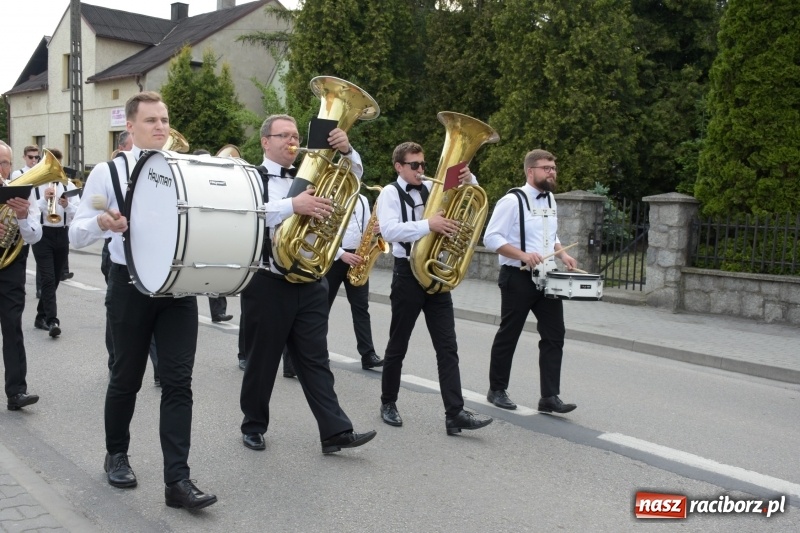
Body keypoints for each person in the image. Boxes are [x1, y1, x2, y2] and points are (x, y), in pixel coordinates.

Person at [69, 92, 216, 510]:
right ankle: (116, 453)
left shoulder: (185, 170)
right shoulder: (107, 172)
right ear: (129, 127)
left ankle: (178, 481)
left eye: (165, 120)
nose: (161, 127)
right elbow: (76, 232)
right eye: (151, 120)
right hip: (129, 286)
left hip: (177, 289)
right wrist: (101, 221)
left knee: (178, 382)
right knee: (125, 378)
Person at [239, 114, 376, 454]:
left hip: (311, 280)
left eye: (295, 135)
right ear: (264, 141)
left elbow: (353, 181)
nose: (291, 141)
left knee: (315, 360)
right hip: (269, 281)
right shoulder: (250, 177)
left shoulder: (314, 174)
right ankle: (253, 425)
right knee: (263, 359)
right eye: (283, 135)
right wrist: (292, 205)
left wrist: (347, 152)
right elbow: (245, 212)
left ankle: (335, 431)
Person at [375, 141, 493, 435]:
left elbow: (468, 198)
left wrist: (470, 179)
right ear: (399, 167)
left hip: (436, 273)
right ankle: (388, 402)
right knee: (398, 344)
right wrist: (429, 225)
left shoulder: (433, 187)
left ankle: (455, 413)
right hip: (407, 274)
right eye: (414, 165)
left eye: (423, 165)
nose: (421, 170)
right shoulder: (390, 193)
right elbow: (389, 230)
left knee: (447, 347)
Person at [482, 149, 578, 414]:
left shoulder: (550, 201)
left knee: (554, 335)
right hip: (518, 277)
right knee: (509, 333)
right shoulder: (512, 200)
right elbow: (491, 238)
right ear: (530, 171)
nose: (552, 172)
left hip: (548, 278)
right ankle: (497, 389)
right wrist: (523, 255)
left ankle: (549, 396)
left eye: (553, 167)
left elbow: (551, 235)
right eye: (546, 167)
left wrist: (563, 253)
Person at [0, 141, 42, 410]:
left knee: (12, 328)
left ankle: (16, 391)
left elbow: (35, 236)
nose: (1, 167)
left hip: (10, 269)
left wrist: (23, 216)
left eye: (4, 162)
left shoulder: (21, 193)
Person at [323, 192, 383, 370]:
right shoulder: (330, 196)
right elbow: (322, 232)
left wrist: (375, 231)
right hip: (333, 258)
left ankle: (368, 354)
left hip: (357, 258)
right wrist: (342, 254)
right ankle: (318, 352)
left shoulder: (363, 200)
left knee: (361, 309)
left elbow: (366, 229)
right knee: (321, 309)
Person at [31, 157, 80, 338]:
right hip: (42, 235)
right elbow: (31, 211)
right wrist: (45, 200)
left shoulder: (68, 186)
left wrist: (67, 206)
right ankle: (52, 321)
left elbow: (79, 212)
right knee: (48, 278)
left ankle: (40, 315)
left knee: (57, 277)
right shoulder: (37, 186)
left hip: (62, 233)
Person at [191, 150, 233, 323]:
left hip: (214, 231)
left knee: (216, 271)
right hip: (197, 231)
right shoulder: (193, 179)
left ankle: (218, 312)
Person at [102, 132, 132, 372]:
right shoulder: (110, 172)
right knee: (117, 316)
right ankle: (116, 361)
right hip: (119, 256)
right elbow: (80, 229)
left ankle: (160, 369)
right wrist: (104, 221)